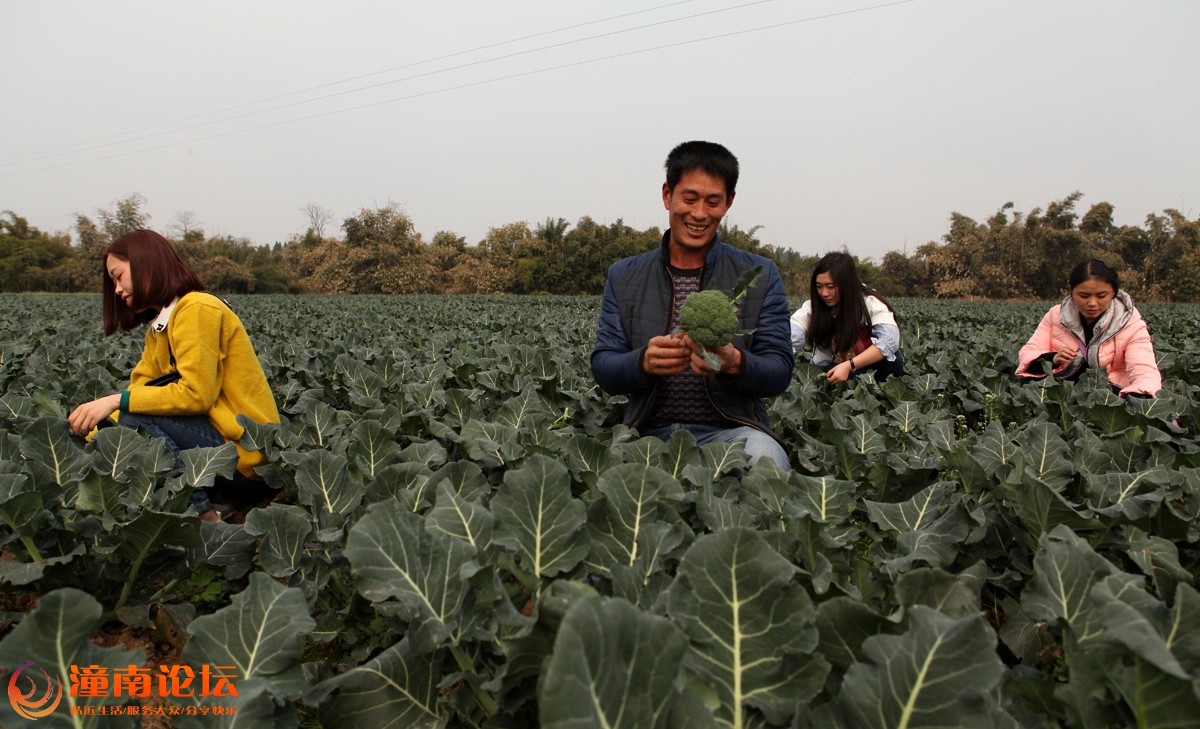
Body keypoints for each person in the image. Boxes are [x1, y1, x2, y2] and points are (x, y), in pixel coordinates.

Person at [591, 141, 794, 469]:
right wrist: (643, 362)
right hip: (648, 435)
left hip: (731, 433)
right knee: (600, 470)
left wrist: (735, 363)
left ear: (728, 203)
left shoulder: (759, 275)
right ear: (667, 195)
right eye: (689, 199)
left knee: (765, 456)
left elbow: (780, 369)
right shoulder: (624, 275)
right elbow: (604, 364)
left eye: (713, 201)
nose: (699, 214)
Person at [68, 229, 280, 521]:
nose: (116, 289)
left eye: (118, 276)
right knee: (126, 420)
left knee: (135, 414)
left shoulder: (197, 309)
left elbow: (195, 396)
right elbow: (142, 393)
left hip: (246, 459)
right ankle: (216, 500)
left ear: (147, 265)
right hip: (214, 458)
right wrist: (93, 432)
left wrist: (115, 401)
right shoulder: (160, 329)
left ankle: (205, 518)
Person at [1016, 258, 1161, 397]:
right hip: (1063, 388)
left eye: (1101, 295)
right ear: (1071, 290)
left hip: (1107, 393)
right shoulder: (1056, 315)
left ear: (1114, 293)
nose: (1092, 303)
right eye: (1084, 295)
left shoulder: (1130, 323)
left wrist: (1143, 399)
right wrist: (1053, 358)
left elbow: (1144, 370)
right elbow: (1028, 354)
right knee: (1027, 387)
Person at [790, 252, 904, 383]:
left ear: (847, 284)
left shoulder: (870, 303)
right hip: (835, 368)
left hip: (870, 367)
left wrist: (850, 365)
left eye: (830, 287)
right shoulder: (813, 307)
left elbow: (889, 341)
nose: (824, 293)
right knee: (825, 381)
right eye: (819, 286)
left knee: (893, 361)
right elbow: (792, 333)